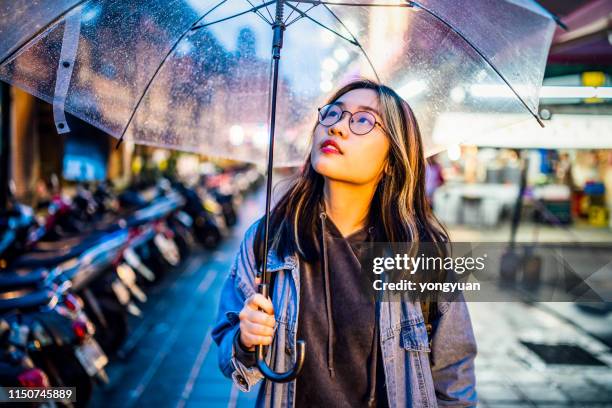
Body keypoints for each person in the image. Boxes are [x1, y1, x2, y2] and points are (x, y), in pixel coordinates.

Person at [212, 79, 477, 407]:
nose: (337, 127)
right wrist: (245, 339)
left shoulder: (420, 252)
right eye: (333, 114)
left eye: (363, 120)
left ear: (391, 160)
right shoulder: (269, 240)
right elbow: (228, 355)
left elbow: (454, 376)